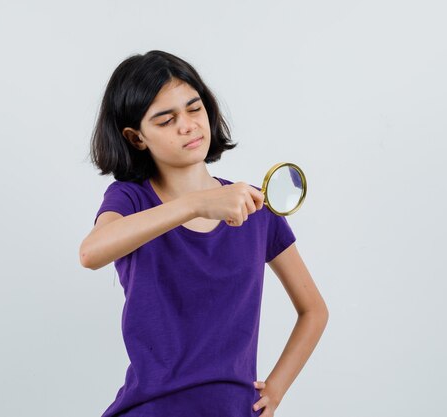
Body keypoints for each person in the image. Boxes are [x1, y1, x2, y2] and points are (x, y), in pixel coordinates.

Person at [79, 50, 329, 417]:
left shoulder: (257, 210)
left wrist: (275, 390)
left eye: (194, 109)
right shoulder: (129, 198)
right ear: (136, 138)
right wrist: (195, 204)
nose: (187, 125)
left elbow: (313, 310)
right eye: (166, 120)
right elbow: (91, 253)